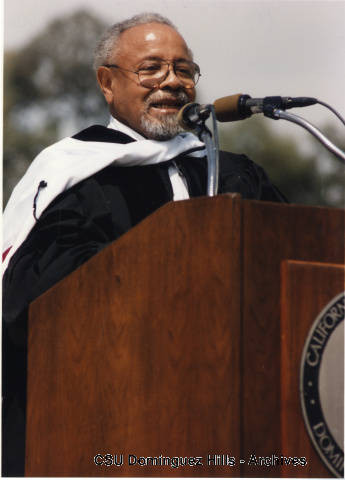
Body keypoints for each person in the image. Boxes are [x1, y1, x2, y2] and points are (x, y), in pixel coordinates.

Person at [2, 12, 286, 476]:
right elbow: (31, 301)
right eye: (151, 68)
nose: (171, 82)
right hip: (105, 425)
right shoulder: (72, 177)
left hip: (235, 422)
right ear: (107, 83)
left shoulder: (234, 173)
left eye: (184, 70)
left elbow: (290, 264)